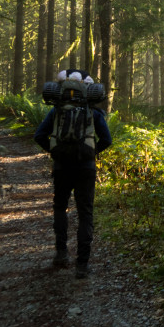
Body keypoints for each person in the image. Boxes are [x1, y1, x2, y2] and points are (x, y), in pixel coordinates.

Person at [34, 69, 112, 278]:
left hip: (62, 166)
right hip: (86, 167)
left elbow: (39, 135)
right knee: (85, 213)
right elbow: (107, 139)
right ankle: (82, 265)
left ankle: (61, 253)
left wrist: (54, 151)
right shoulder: (93, 112)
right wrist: (92, 152)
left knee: (60, 206)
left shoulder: (57, 110)